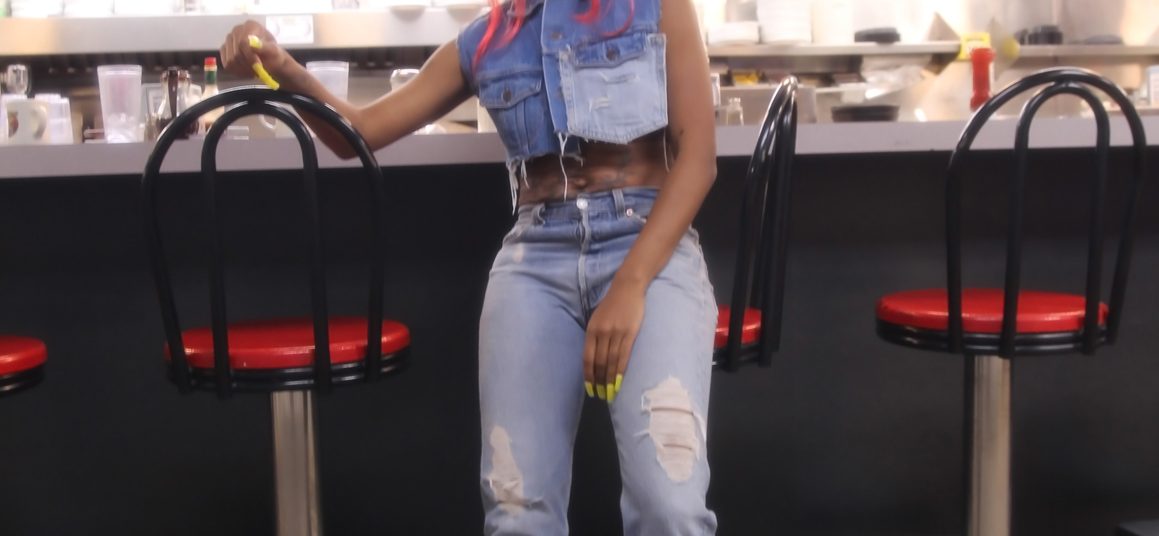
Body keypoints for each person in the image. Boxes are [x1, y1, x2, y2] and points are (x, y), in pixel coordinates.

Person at [220, 0, 718, 532]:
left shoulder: (658, 7)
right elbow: (357, 132)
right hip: (536, 255)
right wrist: (282, 68)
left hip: (645, 246)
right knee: (517, 512)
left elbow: (698, 159)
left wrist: (631, 283)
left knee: (670, 508)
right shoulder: (486, 39)